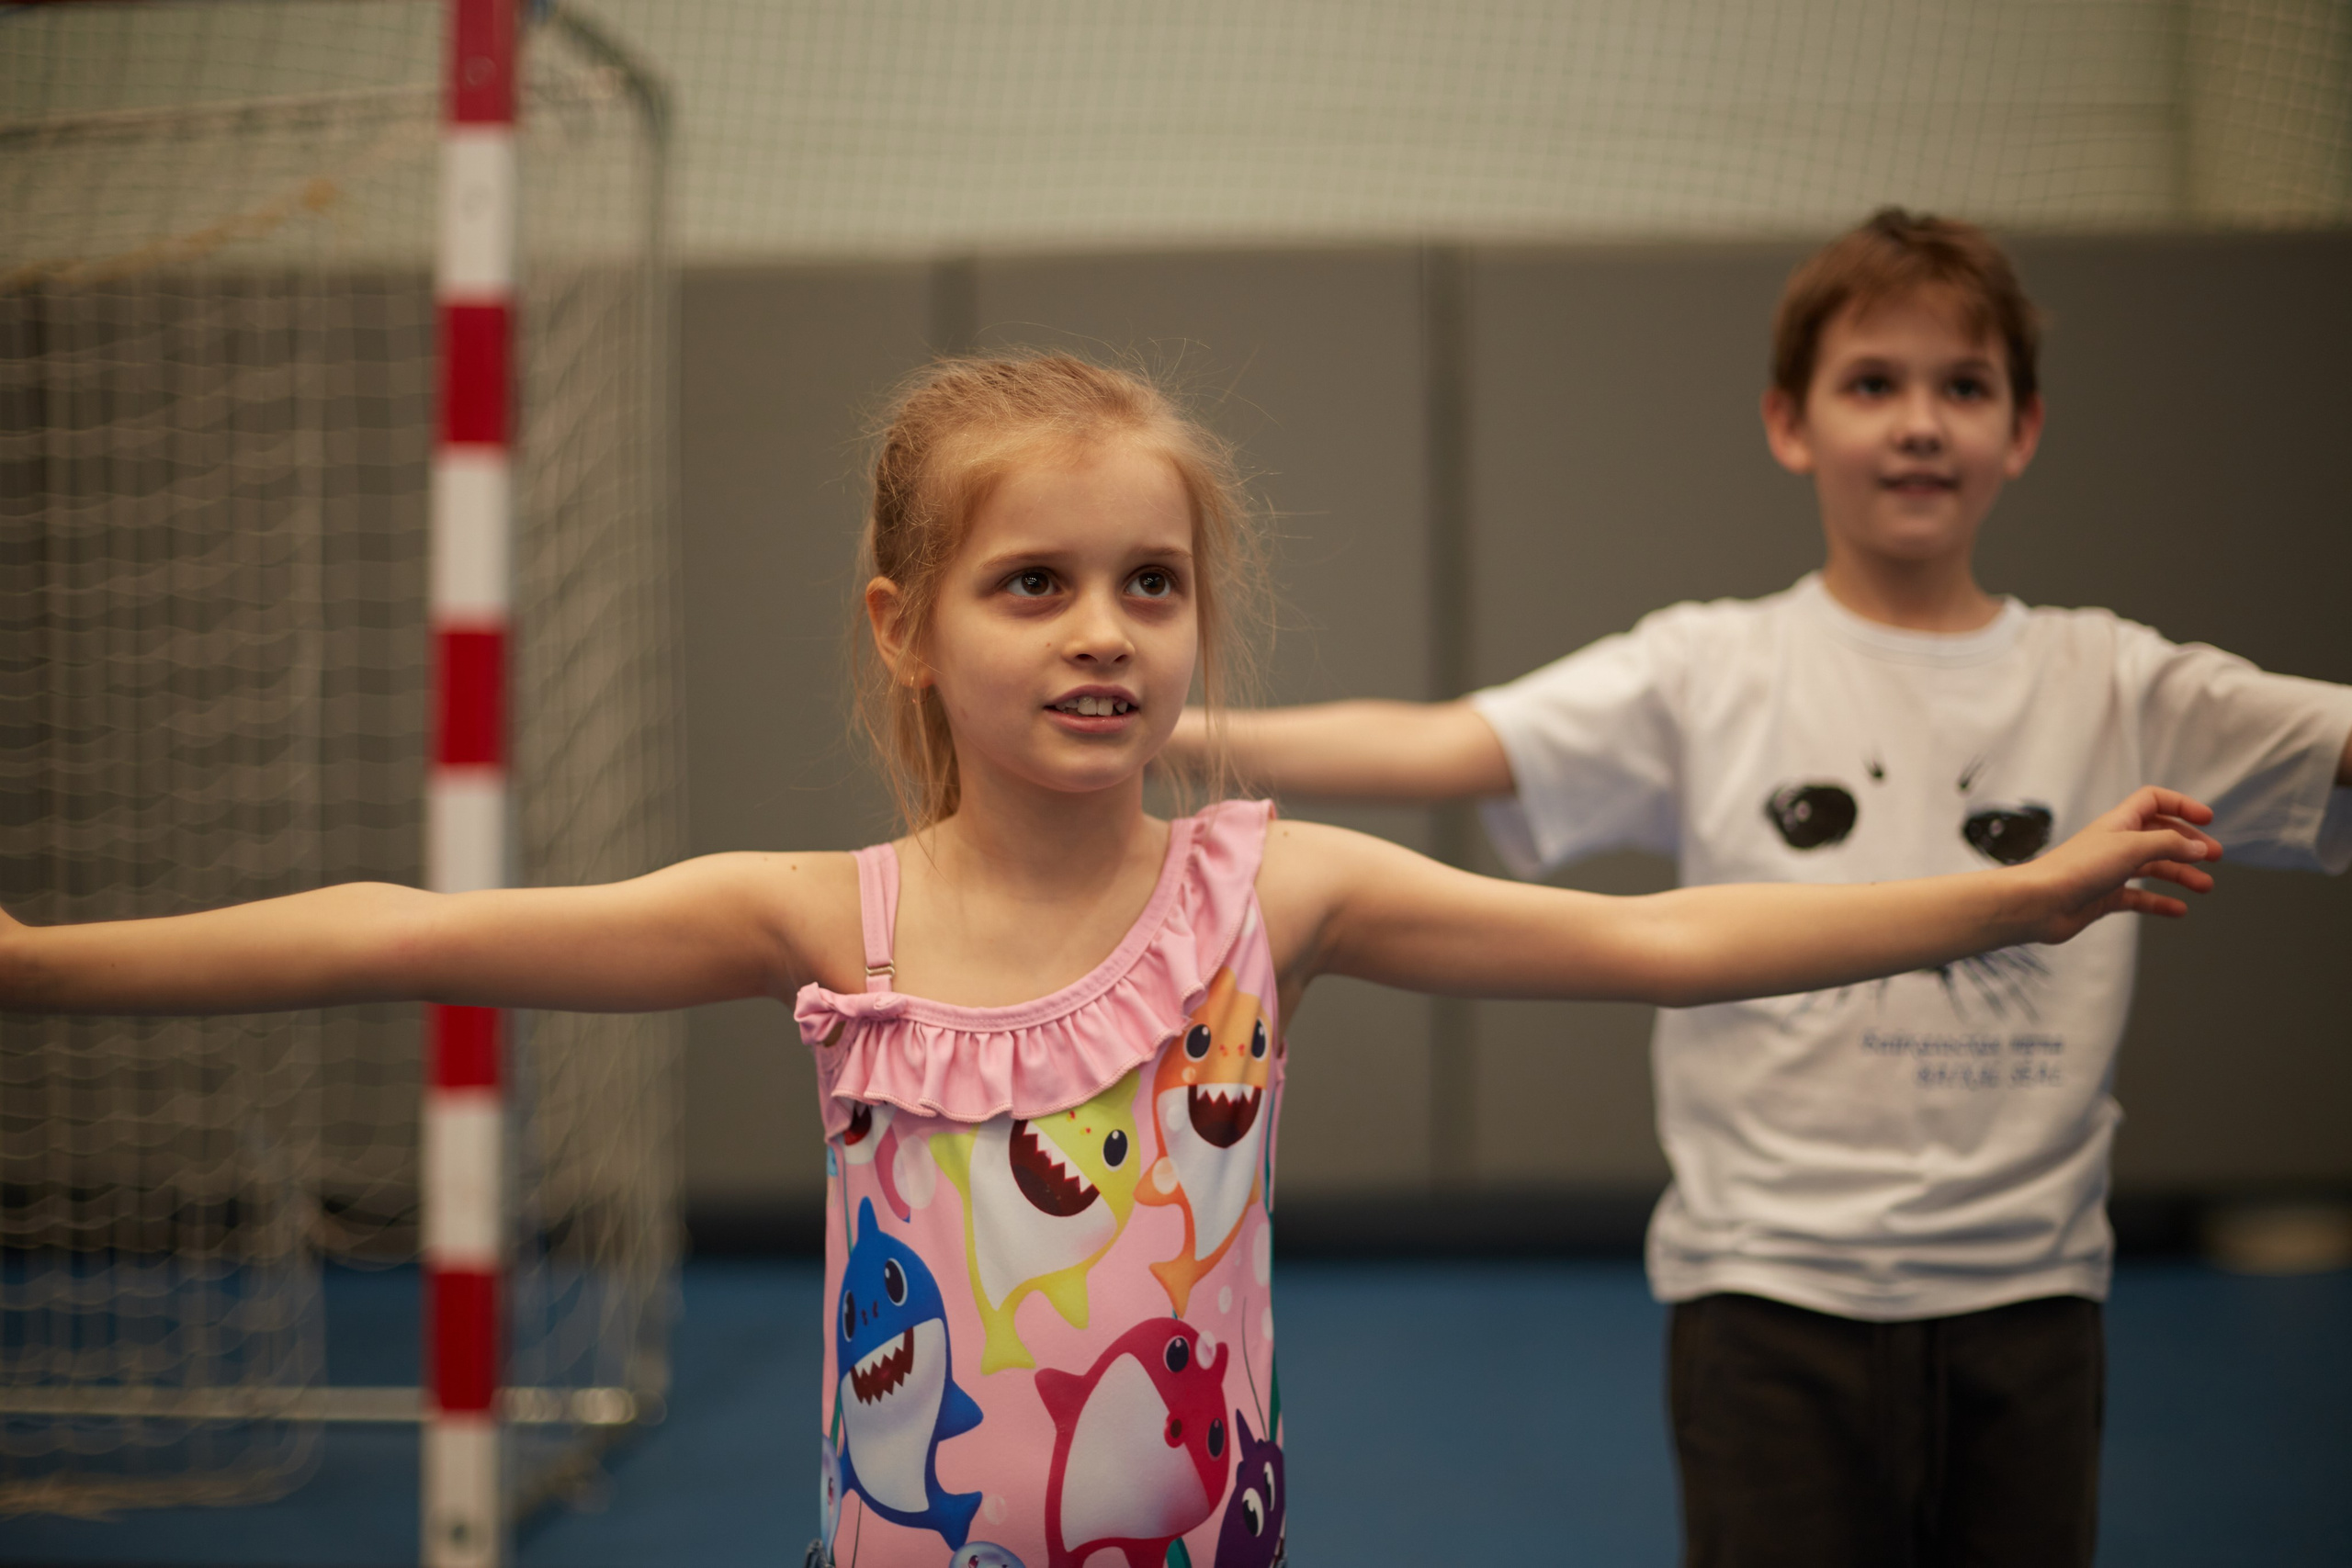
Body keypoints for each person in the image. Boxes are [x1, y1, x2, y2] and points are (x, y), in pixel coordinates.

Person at [0, 352, 2225, 1568]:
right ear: (906, 627)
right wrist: (40, 964)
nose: (1101, 632)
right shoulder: (826, 917)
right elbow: (407, 930)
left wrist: (2002, 896)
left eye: (1148, 585)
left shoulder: (1274, 893)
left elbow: (1667, 937)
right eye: (1032, 584)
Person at [1169, 210, 2352, 1566]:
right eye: (1874, 384)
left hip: (2030, 1294)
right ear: (1791, 422)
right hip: (1767, 1293)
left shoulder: (2117, 680)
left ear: (2023, 428)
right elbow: (1444, 742)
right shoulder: (1712, 669)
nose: (1921, 424)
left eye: (1965, 387)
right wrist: (1169, 734)